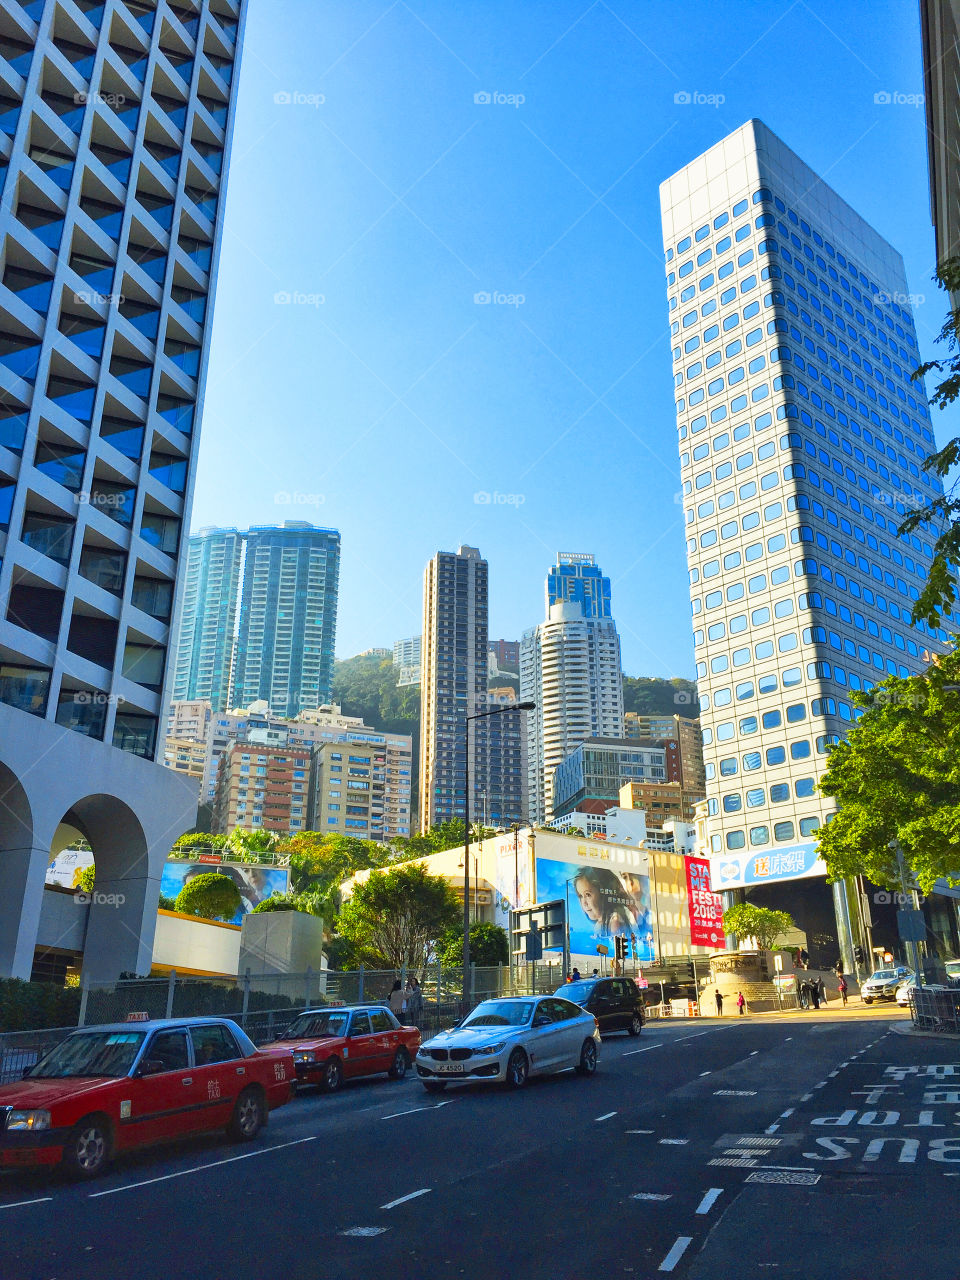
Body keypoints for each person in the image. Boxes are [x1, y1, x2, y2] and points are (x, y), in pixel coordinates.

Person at [573, 866, 640, 944]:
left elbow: (614, 951)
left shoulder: (615, 920)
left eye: (588, 895)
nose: (584, 903)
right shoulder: (600, 923)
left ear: (603, 894)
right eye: (580, 896)